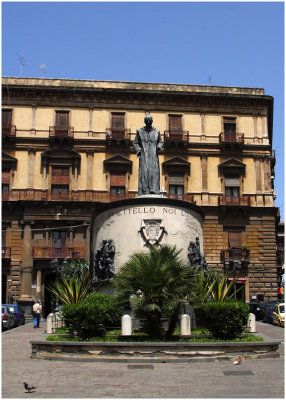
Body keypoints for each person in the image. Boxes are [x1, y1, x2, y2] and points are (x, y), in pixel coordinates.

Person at [133, 115, 164, 195]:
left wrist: (158, 147)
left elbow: (161, 142)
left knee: (154, 172)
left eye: (150, 121)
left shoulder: (157, 131)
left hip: (153, 155)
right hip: (144, 155)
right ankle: (144, 190)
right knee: (144, 172)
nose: (148, 122)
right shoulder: (139, 131)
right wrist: (138, 150)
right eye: (147, 121)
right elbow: (135, 142)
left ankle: (154, 190)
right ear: (145, 122)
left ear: (152, 121)